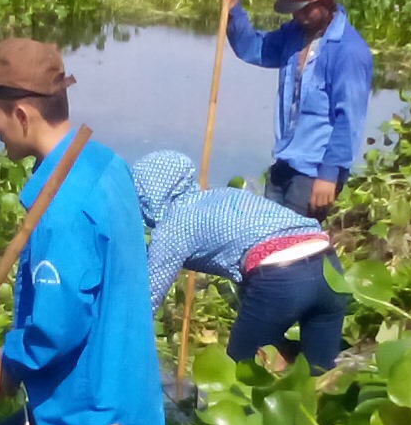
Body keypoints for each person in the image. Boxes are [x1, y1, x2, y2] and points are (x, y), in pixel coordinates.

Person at [0, 39, 166, 425]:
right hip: (128, 400)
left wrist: (10, 360)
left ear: (23, 115)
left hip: (92, 422)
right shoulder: (104, 162)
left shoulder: (62, 208)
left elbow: (59, 326)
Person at [130, 150, 348, 370]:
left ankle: (279, 360)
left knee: (240, 371)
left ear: (146, 196)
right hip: (329, 264)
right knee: (323, 376)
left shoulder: (173, 227)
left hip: (283, 278)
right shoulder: (223, 196)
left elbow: (145, 300)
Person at [217, 0, 374, 219]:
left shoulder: (349, 52)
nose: (297, 16)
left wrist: (329, 175)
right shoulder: (294, 35)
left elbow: (349, 121)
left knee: (290, 250)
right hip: (284, 163)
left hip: (313, 175)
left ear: (324, 2)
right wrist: (233, 4)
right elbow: (254, 48)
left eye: (304, 9)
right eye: (294, 10)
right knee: (266, 242)